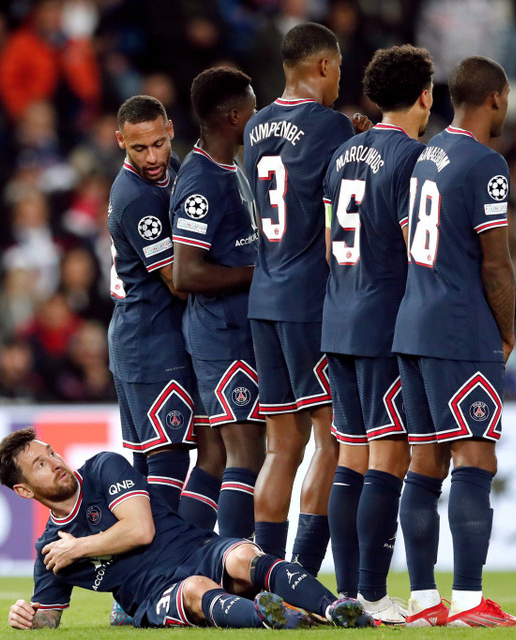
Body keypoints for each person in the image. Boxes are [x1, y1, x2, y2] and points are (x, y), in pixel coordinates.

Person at [392, 56, 516, 628]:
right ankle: (472, 603)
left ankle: (426, 602)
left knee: (424, 464)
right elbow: (496, 265)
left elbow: (410, 234)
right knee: (475, 457)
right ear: (497, 99)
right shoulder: (486, 163)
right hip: (460, 328)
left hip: (413, 325)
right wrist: (506, 330)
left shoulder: (426, 155)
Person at [0, 427, 373, 629]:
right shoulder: (50, 551)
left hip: (195, 548)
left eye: (51, 453)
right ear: (24, 490)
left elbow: (140, 529)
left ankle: (336, 607)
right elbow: (49, 616)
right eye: (40, 465)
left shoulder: (102, 468)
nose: (56, 463)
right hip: (156, 593)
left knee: (243, 554)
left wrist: (78, 547)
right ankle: (274, 617)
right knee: (194, 589)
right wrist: (29, 619)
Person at [243, 20, 370, 573]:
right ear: (322, 66)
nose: (340, 78)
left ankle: (265, 573)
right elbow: (336, 225)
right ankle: (299, 575)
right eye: (339, 68)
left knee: (279, 447)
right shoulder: (330, 126)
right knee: (332, 440)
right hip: (308, 302)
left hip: (263, 297)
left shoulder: (254, 127)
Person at [321, 45, 434, 624]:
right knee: (388, 457)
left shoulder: (342, 154)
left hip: (336, 319)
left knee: (350, 457)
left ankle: (347, 593)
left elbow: (326, 242)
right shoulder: (416, 159)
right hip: (384, 324)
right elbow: (422, 250)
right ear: (425, 95)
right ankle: (369, 593)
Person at [107, 95, 220, 527]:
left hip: (146, 338)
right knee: (168, 461)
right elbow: (177, 281)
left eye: (157, 143)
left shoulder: (171, 171)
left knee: (148, 467)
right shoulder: (135, 196)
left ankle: (135, 589)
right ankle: (166, 571)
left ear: (170, 129)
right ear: (121, 141)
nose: (152, 157)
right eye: (139, 148)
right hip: (149, 342)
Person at [171, 67, 264, 540]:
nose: (259, 114)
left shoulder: (234, 168)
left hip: (237, 330)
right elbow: (185, 273)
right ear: (233, 117)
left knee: (223, 455)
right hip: (221, 335)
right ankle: (238, 571)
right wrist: (256, 274)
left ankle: (184, 563)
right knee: (244, 453)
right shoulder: (202, 180)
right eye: (252, 107)